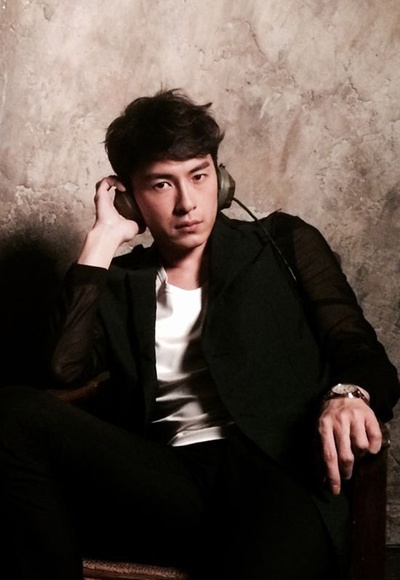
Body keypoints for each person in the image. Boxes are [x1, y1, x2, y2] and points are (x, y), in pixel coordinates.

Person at [0, 89, 399, 580]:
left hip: (277, 475)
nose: (187, 203)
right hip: (169, 480)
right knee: (11, 413)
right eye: (161, 184)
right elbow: (63, 369)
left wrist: (348, 394)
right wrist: (102, 241)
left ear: (221, 180)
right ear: (130, 197)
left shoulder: (281, 243)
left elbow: (359, 348)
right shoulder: (120, 283)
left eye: (199, 176)